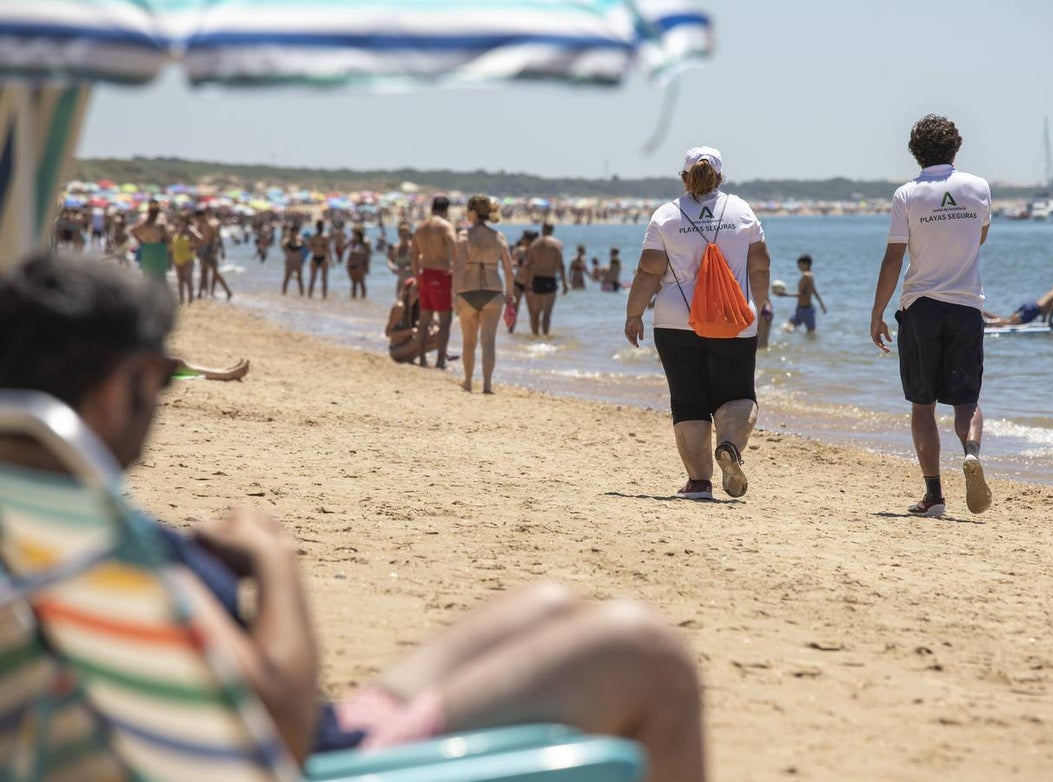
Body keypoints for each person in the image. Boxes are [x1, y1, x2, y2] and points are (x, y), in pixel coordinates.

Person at [0, 253, 706, 782]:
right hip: (317, 754)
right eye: (160, 379)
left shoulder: (43, 516)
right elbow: (280, 728)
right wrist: (273, 560)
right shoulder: (105, 550)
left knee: (551, 603)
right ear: (122, 388)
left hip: (314, 725)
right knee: (649, 653)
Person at [624, 146, 771, 501]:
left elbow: (649, 270)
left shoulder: (666, 215)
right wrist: (757, 305)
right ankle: (730, 446)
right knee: (737, 393)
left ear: (684, 177)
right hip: (733, 318)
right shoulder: (741, 210)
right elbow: (761, 264)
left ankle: (699, 483)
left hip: (675, 319)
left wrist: (634, 313)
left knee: (688, 400)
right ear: (719, 176)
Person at [870, 114, 993, 517]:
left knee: (923, 405)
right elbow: (980, 238)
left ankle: (934, 495)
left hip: (921, 307)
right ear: (955, 147)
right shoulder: (979, 188)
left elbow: (893, 259)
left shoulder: (906, 195)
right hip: (966, 305)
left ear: (915, 151)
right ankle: (971, 453)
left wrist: (878, 312)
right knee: (966, 400)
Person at [453, 195, 516, 394]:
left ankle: (469, 381)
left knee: (469, 341)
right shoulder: (499, 237)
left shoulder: (463, 236)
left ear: (472, 212)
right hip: (493, 291)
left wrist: (454, 295)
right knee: (488, 341)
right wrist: (510, 294)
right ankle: (487, 385)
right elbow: (508, 269)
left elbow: (459, 269)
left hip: (468, 291)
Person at [410, 196, 456, 368]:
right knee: (445, 319)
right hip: (441, 275)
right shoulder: (445, 226)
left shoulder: (420, 227)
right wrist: (456, 269)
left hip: (425, 274)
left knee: (425, 318)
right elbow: (456, 246)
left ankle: (422, 359)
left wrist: (417, 277)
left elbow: (413, 255)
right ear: (446, 209)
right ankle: (440, 361)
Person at [983, 278, 1053, 327]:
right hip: (1034, 310)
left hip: (1031, 305)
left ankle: (982, 312)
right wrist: (1050, 321)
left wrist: (1043, 320)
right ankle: (985, 323)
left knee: (1006, 321)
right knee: (1010, 324)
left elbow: (1047, 303)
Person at [522, 223, 567, 337]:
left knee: (535, 313)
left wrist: (527, 281)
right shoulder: (557, 244)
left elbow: (528, 264)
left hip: (537, 279)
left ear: (542, 230)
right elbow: (561, 265)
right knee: (547, 313)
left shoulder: (535, 244)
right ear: (552, 230)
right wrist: (565, 283)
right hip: (550, 279)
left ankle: (535, 336)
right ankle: (545, 337)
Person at [779, 254, 826, 333]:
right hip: (807, 309)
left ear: (806, 264)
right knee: (811, 333)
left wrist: (785, 294)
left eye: (799, 264)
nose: (798, 267)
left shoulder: (805, 276)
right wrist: (822, 305)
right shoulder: (811, 276)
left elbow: (801, 294)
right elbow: (814, 292)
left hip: (804, 310)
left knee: (787, 328)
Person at [193, 208, 233, 301]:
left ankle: (224, 291)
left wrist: (220, 251)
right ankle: (201, 292)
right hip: (204, 248)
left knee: (214, 272)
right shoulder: (201, 224)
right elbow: (199, 237)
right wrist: (197, 249)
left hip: (210, 248)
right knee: (204, 271)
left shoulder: (213, 223)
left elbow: (217, 239)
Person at [130, 200, 171, 281]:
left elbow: (133, 231)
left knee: (154, 276)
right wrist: (140, 240)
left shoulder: (155, 220)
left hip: (153, 248)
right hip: (153, 248)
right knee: (153, 277)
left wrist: (141, 240)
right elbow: (133, 231)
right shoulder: (150, 220)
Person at [169, 214, 202, 305]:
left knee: (188, 279)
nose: (179, 222)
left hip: (188, 258)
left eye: (181, 220)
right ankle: (181, 299)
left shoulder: (190, 230)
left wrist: (194, 247)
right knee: (180, 280)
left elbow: (200, 238)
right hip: (177, 257)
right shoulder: (178, 231)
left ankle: (190, 299)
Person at [387, 221, 414, 300]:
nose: (405, 237)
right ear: (399, 235)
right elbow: (389, 260)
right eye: (402, 235)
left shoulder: (413, 247)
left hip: (412, 279)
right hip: (401, 279)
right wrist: (392, 267)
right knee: (400, 304)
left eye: (406, 234)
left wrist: (410, 267)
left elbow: (420, 260)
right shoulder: (394, 248)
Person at [307, 219, 332, 299]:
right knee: (312, 278)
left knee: (324, 279)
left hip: (323, 258)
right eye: (319, 226)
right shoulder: (313, 236)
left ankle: (324, 296)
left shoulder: (325, 236)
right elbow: (309, 247)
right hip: (315, 257)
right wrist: (317, 247)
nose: (320, 227)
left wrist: (331, 260)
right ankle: (309, 296)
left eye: (321, 226)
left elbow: (328, 249)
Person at [345, 227, 372, 299]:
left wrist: (367, 266)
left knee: (362, 282)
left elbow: (368, 254)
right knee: (353, 284)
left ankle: (363, 299)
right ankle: (353, 300)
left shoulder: (365, 242)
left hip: (360, 265)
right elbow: (343, 247)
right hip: (350, 264)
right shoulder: (351, 241)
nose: (353, 234)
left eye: (354, 232)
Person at [281, 223, 306, 295]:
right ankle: (284, 294)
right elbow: (283, 247)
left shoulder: (300, 239)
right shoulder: (287, 239)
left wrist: (303, 258)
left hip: (298, 262)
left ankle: (302, 295)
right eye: (295, 231)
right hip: (290, 261)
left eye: (297, 231)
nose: (296, 233)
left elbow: (309, 247)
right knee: (287, 278)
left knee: (300, 279)